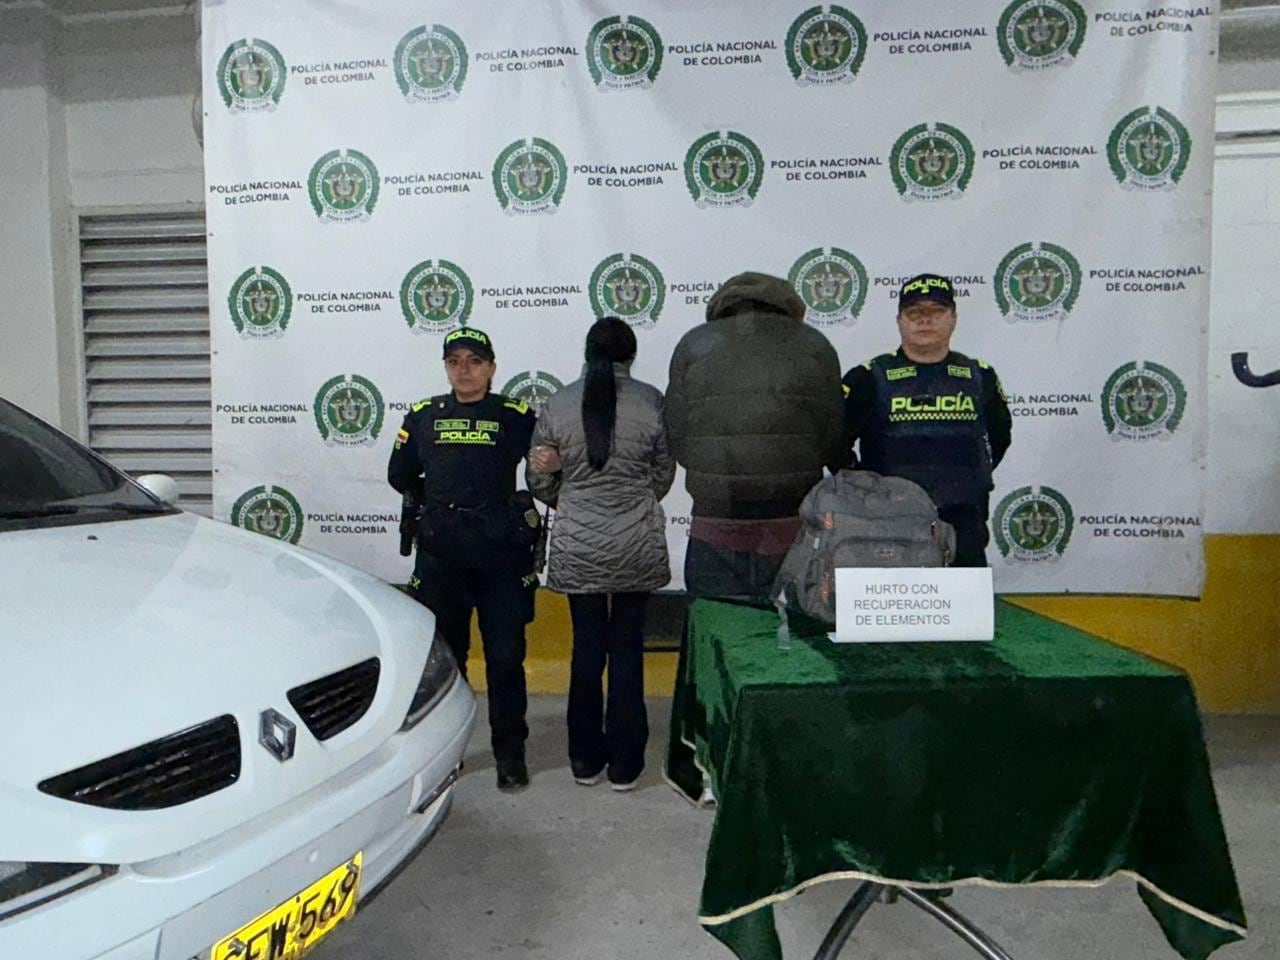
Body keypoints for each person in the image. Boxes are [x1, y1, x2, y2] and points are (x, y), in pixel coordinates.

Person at [387, 326, 539, 791]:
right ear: (446, 368)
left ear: (492, 368)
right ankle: (446, 755)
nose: (464, 370)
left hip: (500, 559)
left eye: (475, 361)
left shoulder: (516, 416)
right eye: (455, 362)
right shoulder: (423, 415)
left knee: (506, 661)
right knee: (446, 665)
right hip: (442, 560)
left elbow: (543, 471)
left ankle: (509, 757)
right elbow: (399, 475)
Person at [527, 318, 675, 791]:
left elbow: (538, 480)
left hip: (579, 547)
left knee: (586, 650)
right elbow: (663, 475)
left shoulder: (557, 403)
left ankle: (584, 761)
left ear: (587, 353)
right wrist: (631, 500)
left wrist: (569, 498)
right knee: (628, 649)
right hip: (636, 543)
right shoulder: (652, 401)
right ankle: (626, 766)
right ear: (630, 355)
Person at [665, 271, 845, 598]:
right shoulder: (814, 344)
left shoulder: (695, 344)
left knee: (716, 623)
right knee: (787, 631)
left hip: (716, 516)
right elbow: (833, 434)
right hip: (791, 517)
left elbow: (677, 436)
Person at [843, 274, 1012, 567]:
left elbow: (1000, 436)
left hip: (963, 515)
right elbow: (835, 442)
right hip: (888, 517)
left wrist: (968, 477)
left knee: (965, 609)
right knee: (893, 609)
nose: (925, 321)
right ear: (899, 321)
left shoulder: (979, 375)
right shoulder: (868, 377)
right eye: (915, 313)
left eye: (936, 312)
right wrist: (866, 486)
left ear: (953, 318)